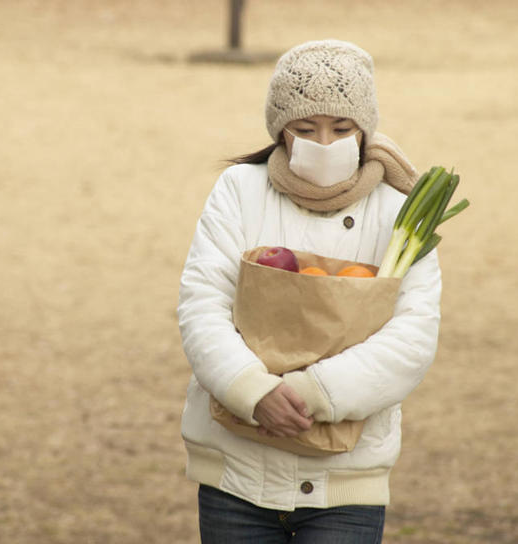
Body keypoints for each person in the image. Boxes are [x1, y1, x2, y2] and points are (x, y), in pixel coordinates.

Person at [177, 39, 442, 543]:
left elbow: (413, 337)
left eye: (341, 129)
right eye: (305, 129)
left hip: (346, 487)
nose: (324, 142)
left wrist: (306, 395)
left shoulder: (401, 213)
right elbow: (201, 305)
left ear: (364, 129)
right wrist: (252, 393)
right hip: (234, 479)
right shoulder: (239, 190)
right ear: (280, 130)